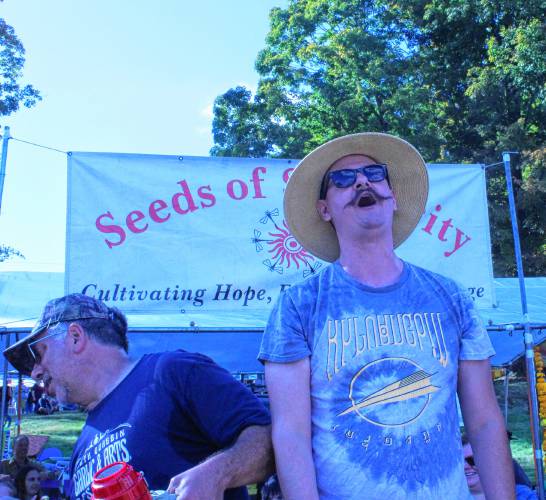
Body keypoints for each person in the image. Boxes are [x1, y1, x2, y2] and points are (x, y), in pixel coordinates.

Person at [258, 132, 515, 499]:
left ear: (393, 198)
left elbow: (485, 422)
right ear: (324, 209)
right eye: (342, 179)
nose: (362, 181)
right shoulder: (299, 306)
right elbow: (290, 433)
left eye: (375, 173)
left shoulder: (451, 297)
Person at [4, 294, 273, 500]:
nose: (36, 371)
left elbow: (269, 439)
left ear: (75, 337)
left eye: (38, 354)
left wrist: (217, 473)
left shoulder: (171, 372)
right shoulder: (82, 446)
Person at [463, 437, 537, 499]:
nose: (465, 466)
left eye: (472, 460)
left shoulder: (521, 495)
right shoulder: (454, 495)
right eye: (460, 461)